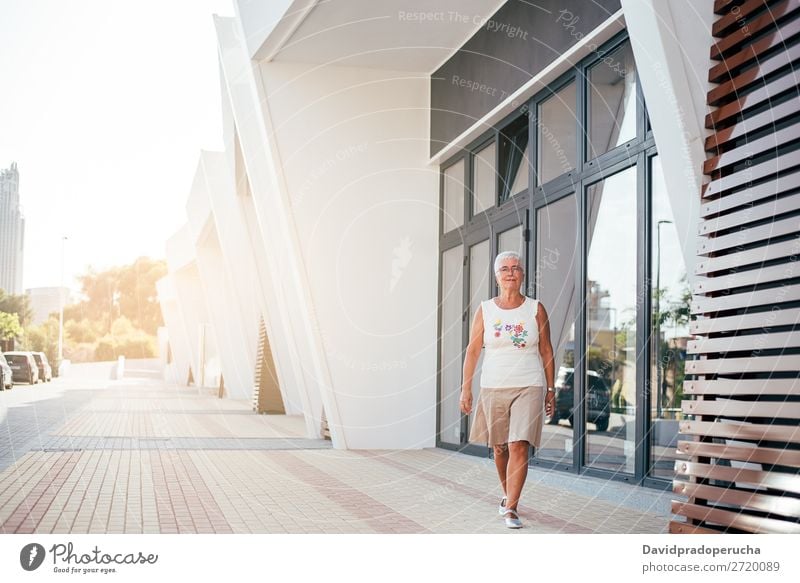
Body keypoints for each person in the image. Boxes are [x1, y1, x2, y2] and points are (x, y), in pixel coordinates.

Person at [460, 251, 555, 529]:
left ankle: (512, 508)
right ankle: (507, 495)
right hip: (493, 385)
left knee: (518, 445)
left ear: (523, 274)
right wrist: (466, 389)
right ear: (496, 276)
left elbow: (546, 350)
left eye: (516, 268)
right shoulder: (486, 309)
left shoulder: (535, 309)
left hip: (529, 384)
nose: (511, 273)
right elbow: (473, 350)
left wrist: (551, 389)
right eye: (505, 269)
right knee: (500, 448)